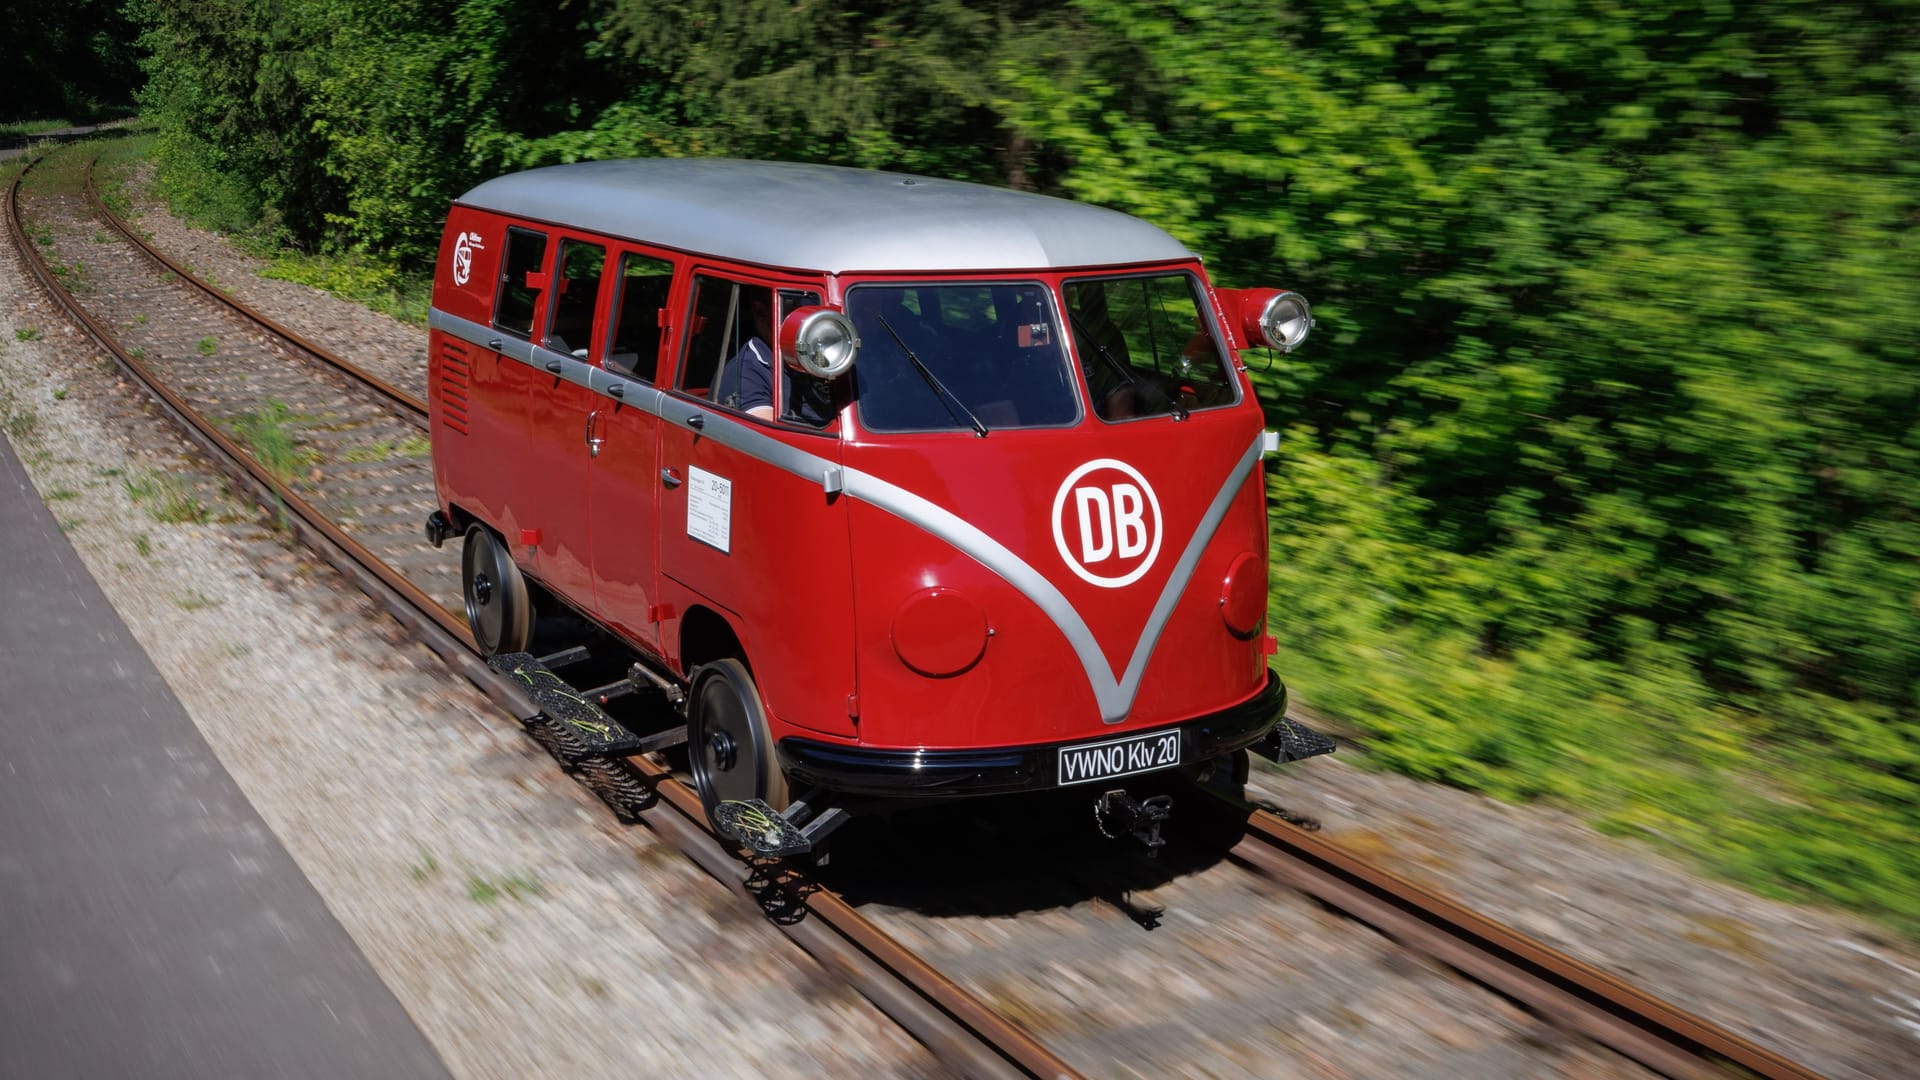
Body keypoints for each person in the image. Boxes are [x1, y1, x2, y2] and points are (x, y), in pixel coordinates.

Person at [715, 288, 835, 426]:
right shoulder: (746, 373)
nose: (805, 318)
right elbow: (768, 437)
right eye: (794, 307)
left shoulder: (818, 354)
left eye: (810, 304)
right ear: (760, 312)